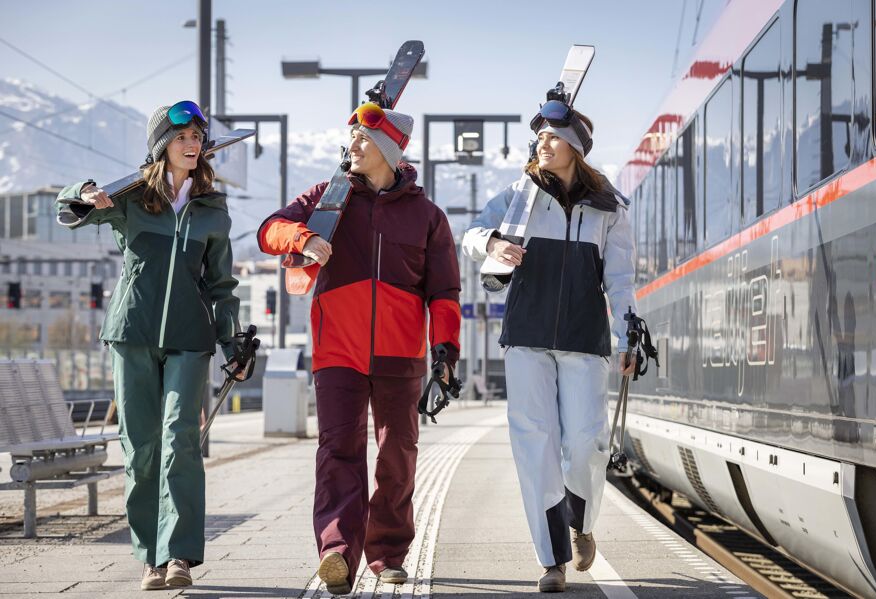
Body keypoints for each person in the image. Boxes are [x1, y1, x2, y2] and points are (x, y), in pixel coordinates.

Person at [256, 103, 461, 595]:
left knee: (397, 456)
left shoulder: (427, 217)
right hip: (337, 352)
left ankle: (387, 554)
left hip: (400, 354)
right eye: (351, 138)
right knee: (338, 452)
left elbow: (445, 293)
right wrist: (303, 238)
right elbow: (269, 230)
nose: (352, 147)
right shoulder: (326, 199)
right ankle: (336, 552)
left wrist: (445, 352)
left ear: (388, 152)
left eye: (362, 140)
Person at [55, 101, 242, 591]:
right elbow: (65, 209)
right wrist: (85, 192)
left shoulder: (212, 210)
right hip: (132, 333)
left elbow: (221, 284)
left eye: (198, 137)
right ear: (163, 144)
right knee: (140, 450)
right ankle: (150, 558)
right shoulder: (133, 200)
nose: (192, 144)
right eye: (182, 137)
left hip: (190, 338)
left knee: (180, 440)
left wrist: (234, 342)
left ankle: (178, 554)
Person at [462, 102, 637, 592]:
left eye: (553, 137)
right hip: (527, 337)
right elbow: (472, 235)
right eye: (539, 136)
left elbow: (621, 280)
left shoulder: (610, 208)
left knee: (585, 442)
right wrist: (494, 244)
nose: (542, 144)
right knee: (533, 444)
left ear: (576, 148)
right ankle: (552, 560)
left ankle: (581, 524)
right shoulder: (517, 197)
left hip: (585, 339)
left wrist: (628, 336)